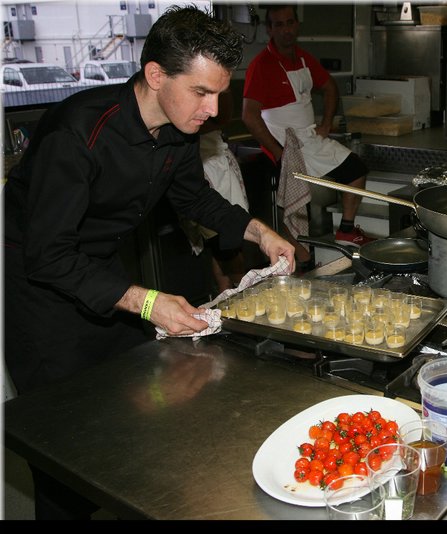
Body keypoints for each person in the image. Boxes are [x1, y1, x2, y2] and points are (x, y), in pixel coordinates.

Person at [2, 5, 294, 518]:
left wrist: (260, 231)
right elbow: (49, 254)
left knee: (131, 410)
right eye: (201, 92)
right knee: (65, 447)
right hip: (40, 288)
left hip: (100, 270)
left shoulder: (177, 130)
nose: (213, 108)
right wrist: (145, 301)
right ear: (155, 75)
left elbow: (195, 200)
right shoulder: (78, 134)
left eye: (220, 93)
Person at [241, 3, 374, 272]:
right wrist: (279, 153)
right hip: (283, 143)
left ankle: (346, 229)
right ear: (269, 29)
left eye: (290, 23)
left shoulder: (303, 58)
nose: (286, 30)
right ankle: (301, 262)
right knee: (296, 202)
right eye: (278, 25)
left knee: (356, 169)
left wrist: (326, 123)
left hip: (310, 138)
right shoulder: (261, 65)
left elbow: (329, 87)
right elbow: (249, 115)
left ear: (297, 25)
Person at [178, 89, 249, 291]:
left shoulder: (216, 94)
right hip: (196, 169)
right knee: (218, 242)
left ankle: (232, 295)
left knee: (228, 241)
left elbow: (223, 118)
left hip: (216, 167)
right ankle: (232, 296)